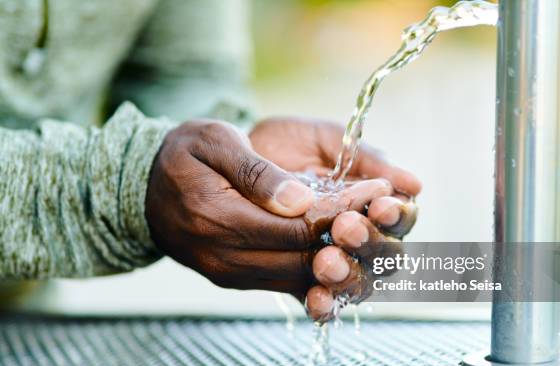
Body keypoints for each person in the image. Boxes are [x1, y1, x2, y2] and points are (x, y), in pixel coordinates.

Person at [0, 0, 421, 321]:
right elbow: (141, 172)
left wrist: (237, 159)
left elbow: (184, 72)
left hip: (29, 323)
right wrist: (129, 183)